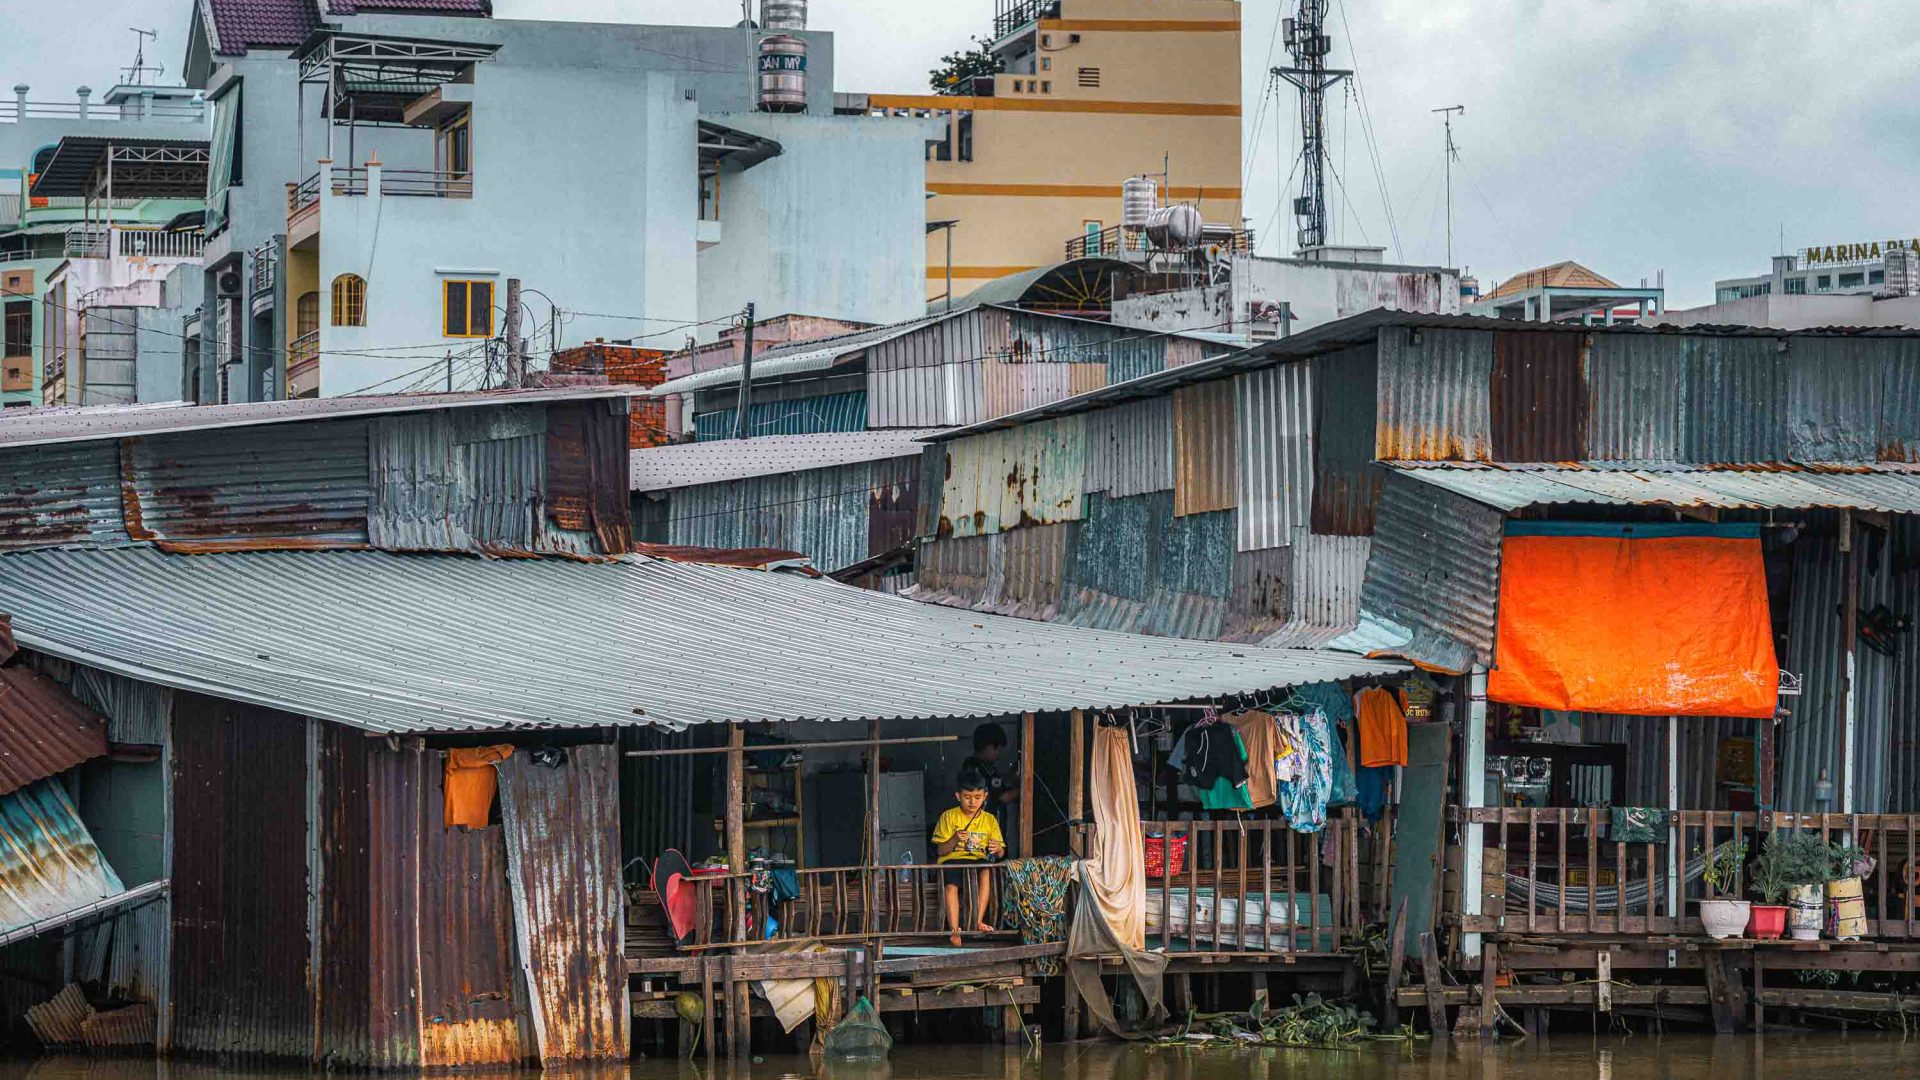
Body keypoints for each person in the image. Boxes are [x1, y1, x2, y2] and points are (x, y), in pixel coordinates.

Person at [932, 768, 1005, 946]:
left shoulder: (990, 820)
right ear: (958, 796)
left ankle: (977, 921)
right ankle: (955, 930)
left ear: (985, 796)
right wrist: (955, 838)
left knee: (986, 872)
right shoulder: (948, 817)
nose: (973, 802)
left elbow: (1001, 852)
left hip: (977, 859)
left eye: (978, 797)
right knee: (951, 886)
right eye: (967, 797)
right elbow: (940, 850)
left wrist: (997, 849)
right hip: (952, 858)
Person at [962, 722, 1017, 810]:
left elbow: (997, 783)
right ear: (987, 746)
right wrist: (1022, 790)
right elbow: (1001, 797)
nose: (998, 754)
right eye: (996, 749)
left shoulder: (986, 766)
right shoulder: (973, 768)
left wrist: (1011, 774)